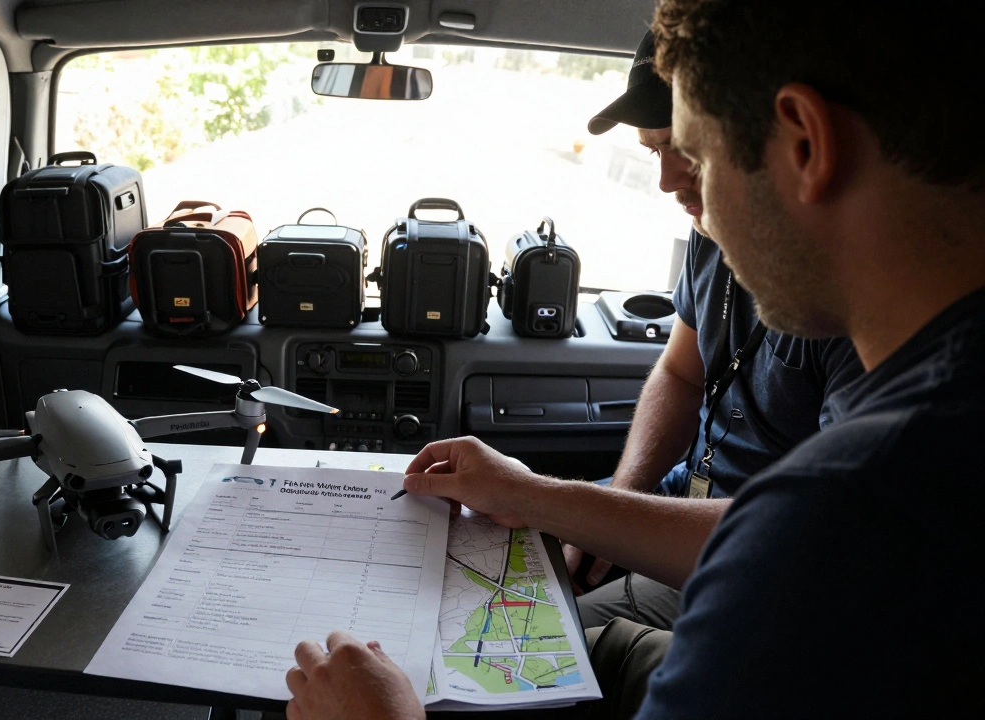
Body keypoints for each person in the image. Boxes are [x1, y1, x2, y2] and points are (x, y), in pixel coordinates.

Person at [285, 0, 985, 717]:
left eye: (699, 154)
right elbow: (682, 375)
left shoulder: (840, 515)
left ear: (806, 143)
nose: (678, 187)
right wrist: (556, 498)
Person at [573, 30, 861, 631]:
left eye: (688, 149)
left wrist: (576, 509)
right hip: (686, 494)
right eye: (655, 152)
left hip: (748, 555)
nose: (669, 180)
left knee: (557, 638)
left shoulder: (852, 300)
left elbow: (807, 540)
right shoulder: (710, 233)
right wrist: (621, 503)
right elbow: (681, 372)